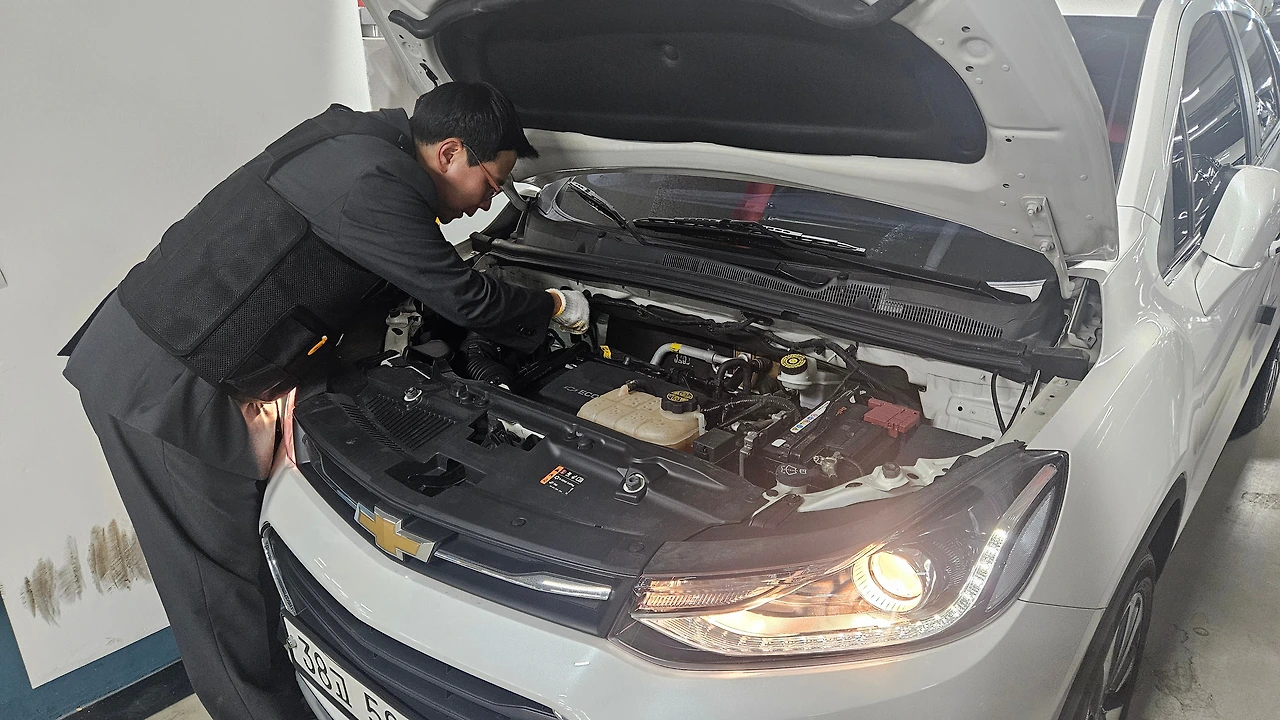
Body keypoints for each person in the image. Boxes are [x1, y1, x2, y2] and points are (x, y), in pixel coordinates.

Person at [60, 82, 589, 720]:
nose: (489, 201)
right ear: (450, 152)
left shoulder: (358, 142)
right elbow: (466, 299)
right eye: (494, 183)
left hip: (175, 357)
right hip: (164, 383)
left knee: (239, 577)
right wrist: (552, 304)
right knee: (222, 599)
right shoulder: (373, 183)